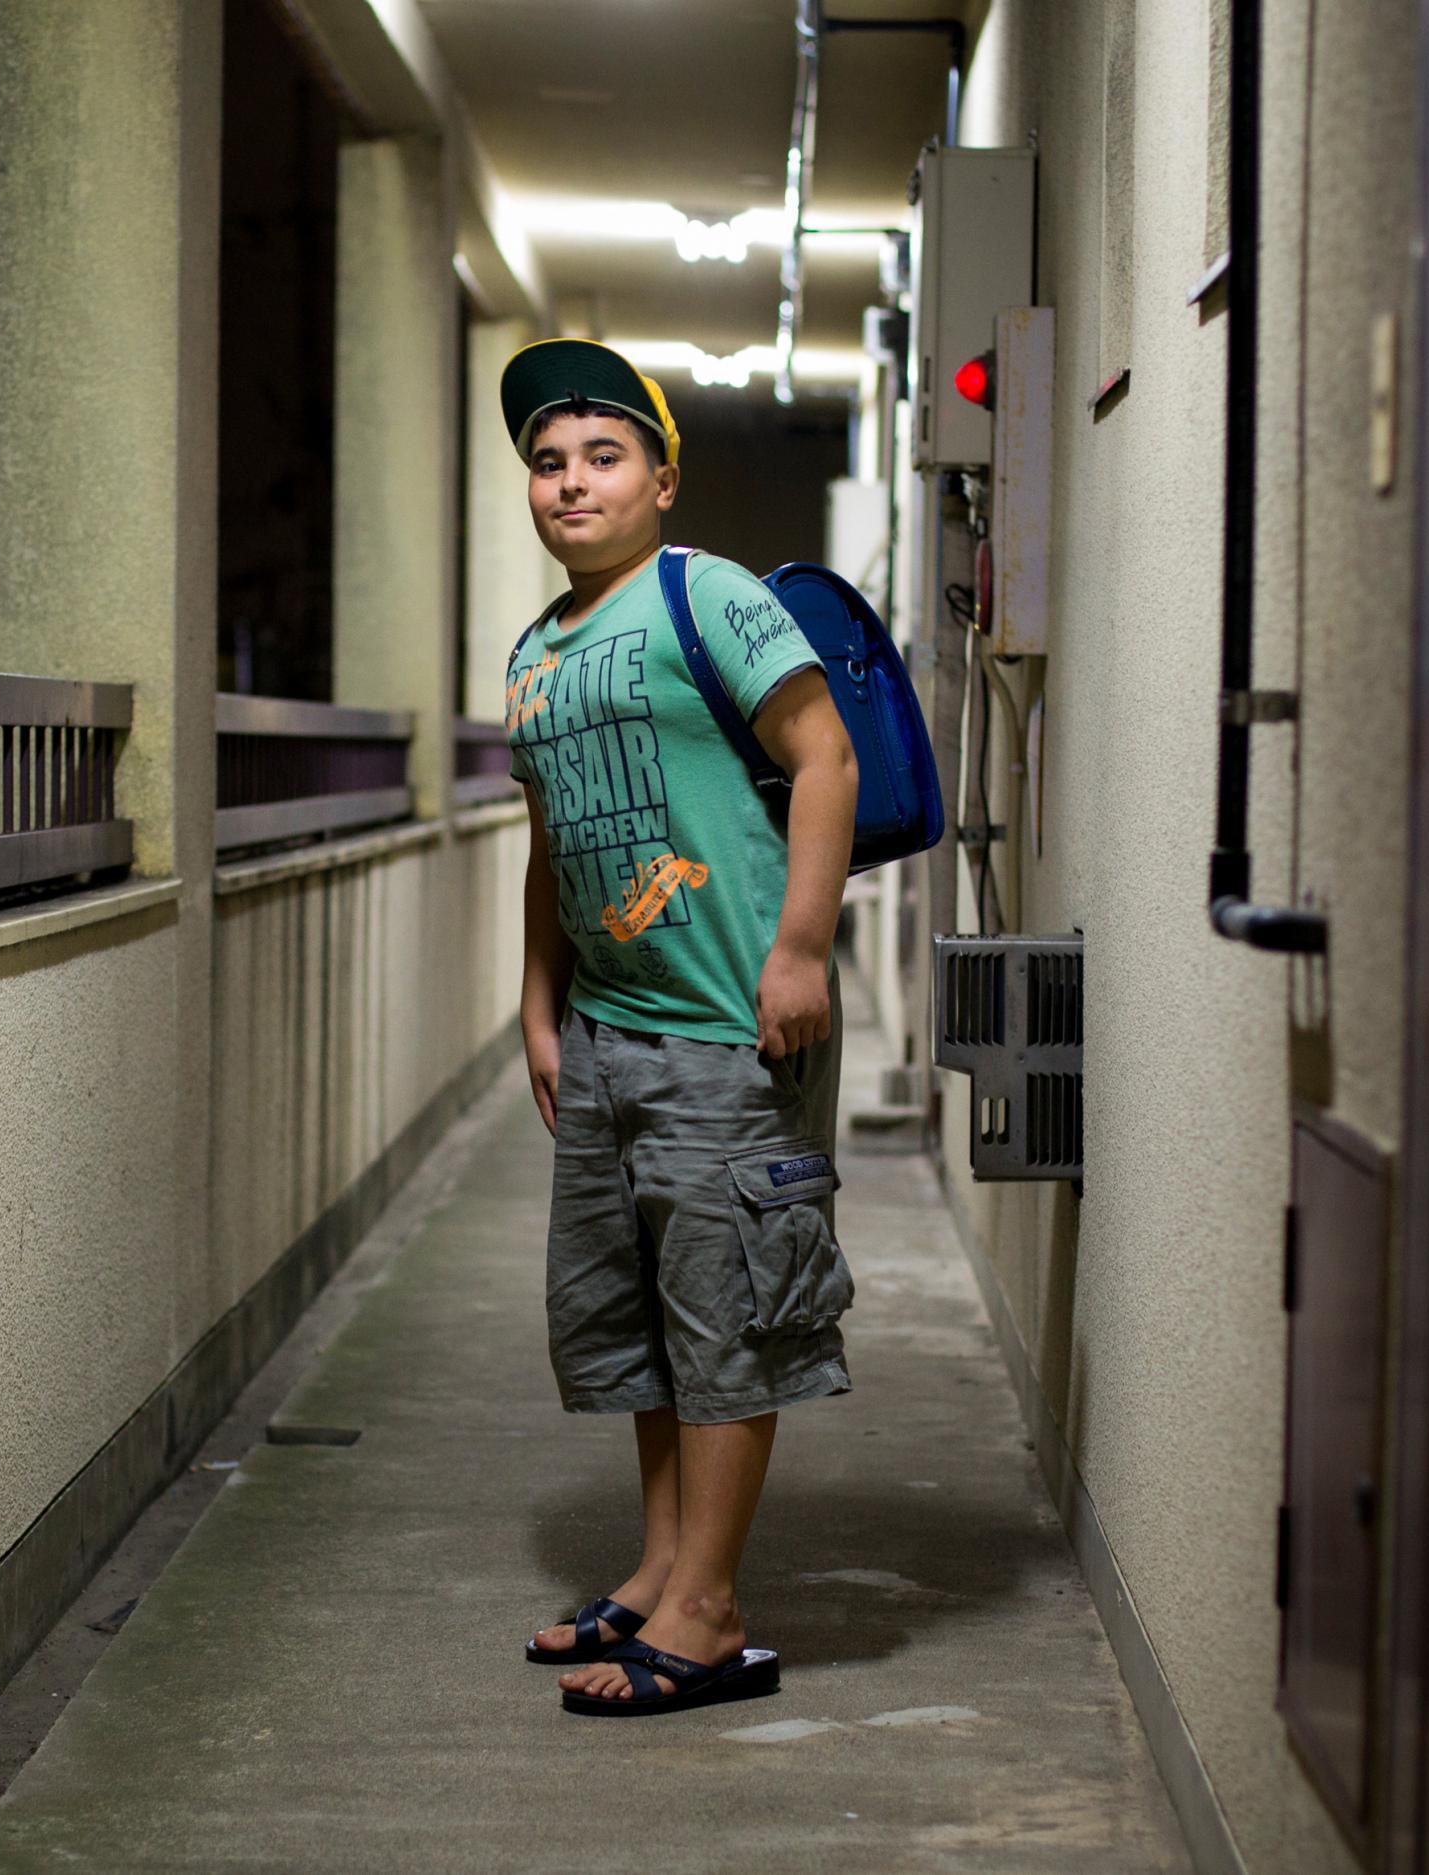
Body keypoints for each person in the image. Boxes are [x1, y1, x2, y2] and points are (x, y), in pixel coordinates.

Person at [498, 338, 860, 1717]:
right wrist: (539, 1007)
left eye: (603, 456)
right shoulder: (538, 648)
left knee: (726, 1323)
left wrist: (803, 948)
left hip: (728, 1028)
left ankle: (707, 1612)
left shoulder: (706, 595)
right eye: (548, 461)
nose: (572, 483)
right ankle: (661, 1567)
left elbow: (823, 754)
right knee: (638, 1322)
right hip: (605, 1035)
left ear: (659, 477)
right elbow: (549, 840)